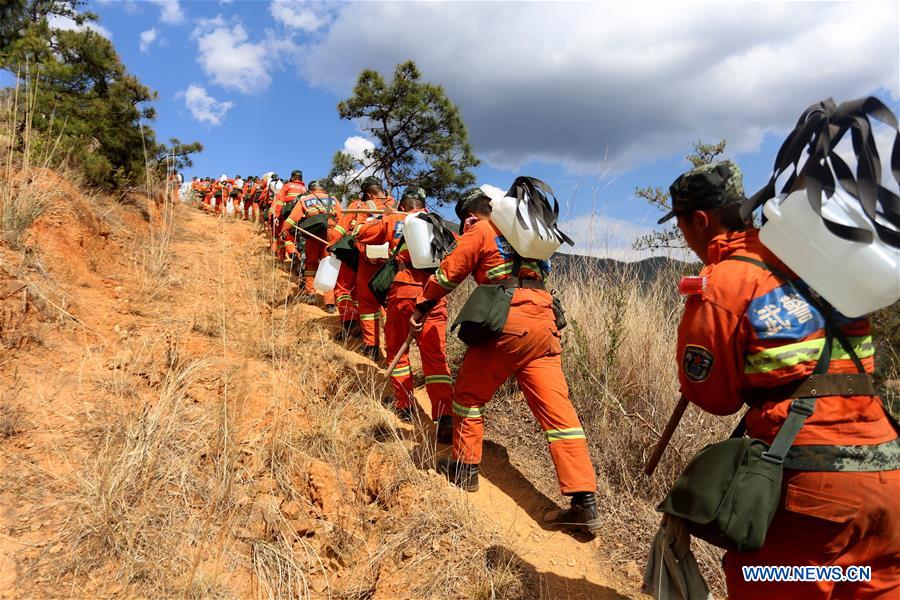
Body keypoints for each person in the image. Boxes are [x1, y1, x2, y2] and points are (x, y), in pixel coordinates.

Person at [661, 161, 899, 599]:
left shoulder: (727, 281)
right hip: (888, 473)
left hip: (812, 492)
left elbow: (714, 397)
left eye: (680, 226)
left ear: (699, 220)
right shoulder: (817, 261)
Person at [410, 187, 600, 531]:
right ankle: (584, 500)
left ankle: (465, 468)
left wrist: (423, 304)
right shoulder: (527, 234)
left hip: (507, 322)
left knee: (467, 395)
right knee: (560, 415)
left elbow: (449, 272)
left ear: (472, 213)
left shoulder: (482, 230)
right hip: (544, 324)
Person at [355, 186, 453, 434]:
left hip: (403, 290)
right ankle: (445, 415)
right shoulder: (436, 222)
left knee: (398, 347)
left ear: (403, 205)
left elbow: (362, 235)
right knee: (435, 356)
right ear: (424, 206)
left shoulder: (395, 218)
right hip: (434, 293)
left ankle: (404, 404)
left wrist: (380, 217)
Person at [281, 180, 342, 311]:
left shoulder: (305, 199)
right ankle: (330, 303)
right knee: (329, 265)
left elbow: (293, 218)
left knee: (311, 264)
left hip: (313, 233)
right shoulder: (333, 199)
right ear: (324, 189)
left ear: (311, 189)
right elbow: (341, 218)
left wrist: (284, 229)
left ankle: (311, 294)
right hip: (330, 232)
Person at [353, 177, 395, 360]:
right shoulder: (397, 205)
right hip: (391, 263)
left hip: (369, 262)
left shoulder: (365, 206)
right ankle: (392, 347)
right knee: (389, 306)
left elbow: (356, 233)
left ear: (368, 193)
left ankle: (371, 347)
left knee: (368, 305)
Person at [271, 170, 305, 261]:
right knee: (299, 237)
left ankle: (282, 257)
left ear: (293, 177)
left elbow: (279, 201)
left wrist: (277, 215)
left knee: (284, 233)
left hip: (288, 214)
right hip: (303, 216)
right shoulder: (305, 189)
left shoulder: (287, 185)